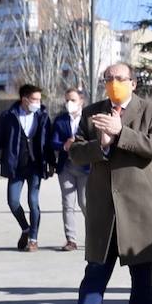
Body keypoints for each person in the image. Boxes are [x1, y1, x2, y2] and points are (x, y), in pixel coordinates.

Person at [55, 63, 152, 304]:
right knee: (94, 275)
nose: (113, 83)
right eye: (108, 79)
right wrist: (101, 146)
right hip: (104, 210)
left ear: (133, 83)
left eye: (119, 78)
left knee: (142, 278)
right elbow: (76, 152)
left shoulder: (151, 111)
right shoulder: (93, 112)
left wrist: (121, 134)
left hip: (139, 210)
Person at [0, 83, 53, 251]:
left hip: (36, 165)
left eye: (39, 99)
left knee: (33, 201)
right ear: (24, 99)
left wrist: (51, 163)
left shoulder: (42, 115)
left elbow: (48, 141)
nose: (38, 102)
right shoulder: (9, 116)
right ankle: (26, 229)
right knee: (13, 201)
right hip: (16, 165)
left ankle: (33, 240)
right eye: (34, 99)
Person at [50, 88, 88, 252]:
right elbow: (53, 142)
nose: (69, 103)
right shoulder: (60, 120)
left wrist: (79, 144)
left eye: (72, 100)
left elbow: (95, 139)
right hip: (66, 167)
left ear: (81, 101)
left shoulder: (89, 119)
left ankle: (94, 238)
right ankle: (70, 240)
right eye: (66, 100)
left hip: (86, 167)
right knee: (67, 204)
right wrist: (64, 145)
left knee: (85, 203)